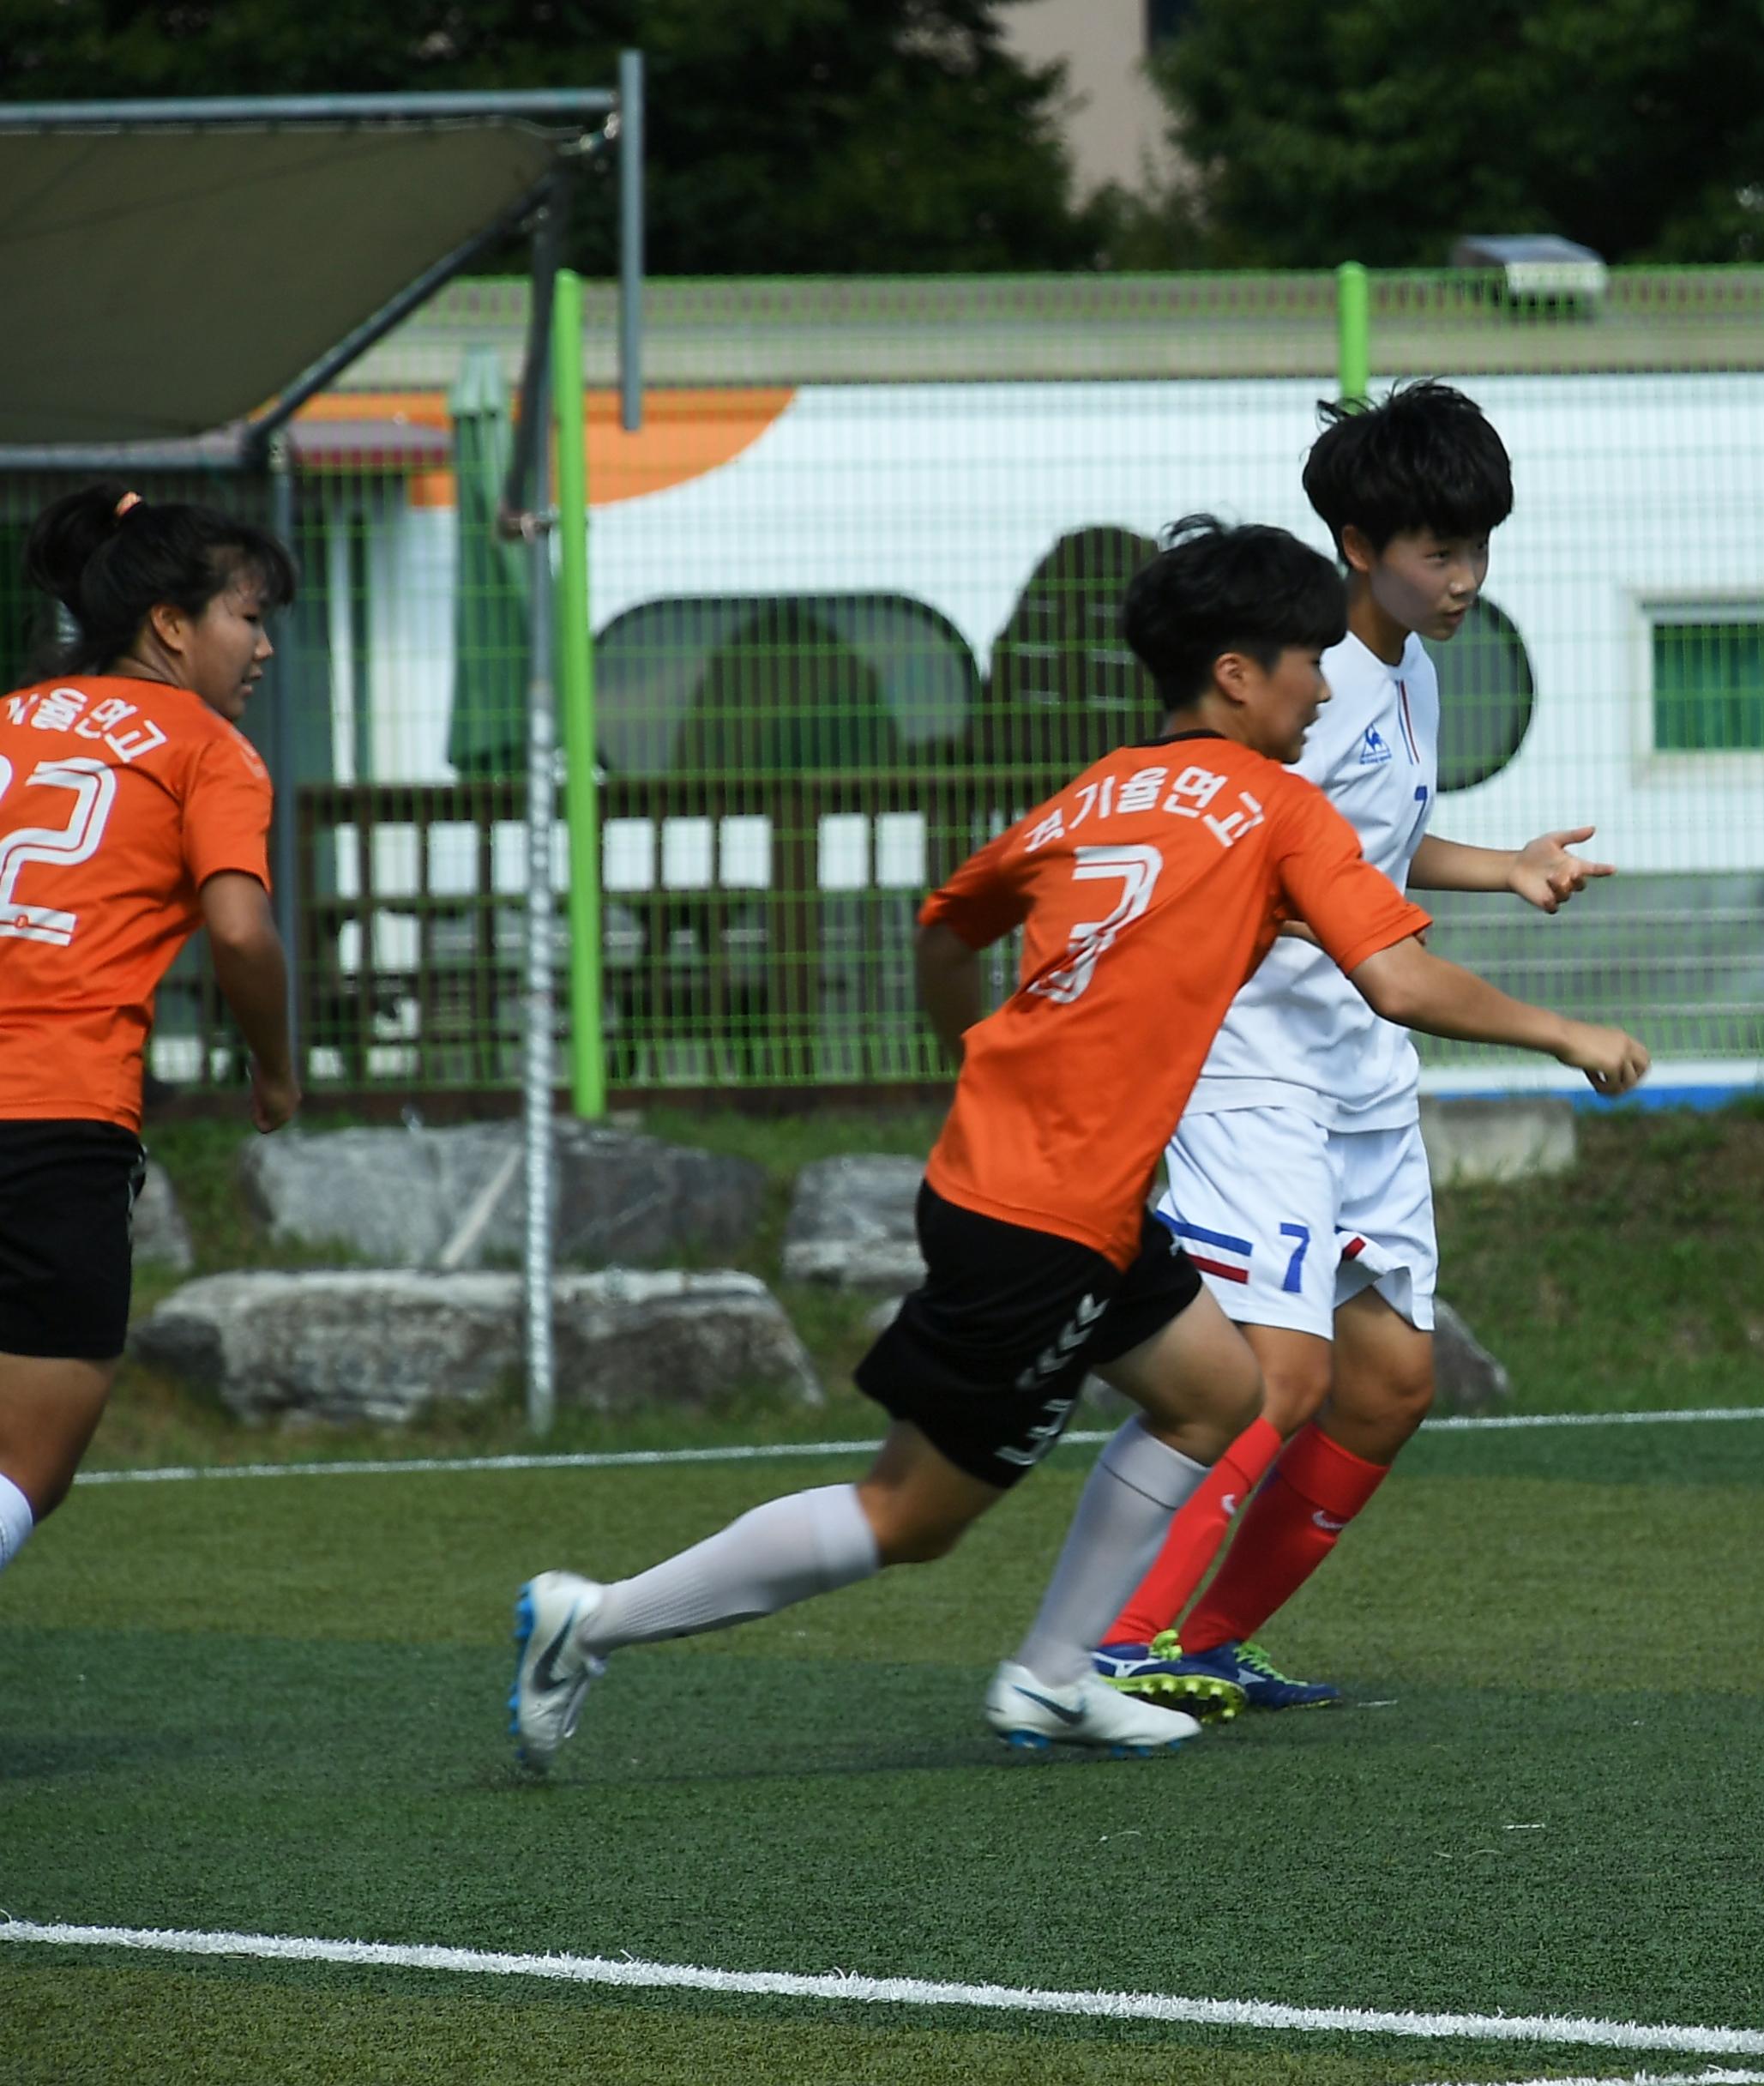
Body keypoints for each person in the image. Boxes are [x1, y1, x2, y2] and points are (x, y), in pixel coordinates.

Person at [508, 517, 1646, 1769]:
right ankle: (592, 1621)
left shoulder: (1094, 791)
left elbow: (945, 933)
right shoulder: (1275, 804)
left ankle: (1056, 1673)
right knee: (910, 1515)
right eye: (1306, 662)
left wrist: (986, 1055)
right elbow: (1401, 982)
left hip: (1046, 1191)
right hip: (1040, 1216)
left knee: (1221, 1390)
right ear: (1233, 674)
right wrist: (1566, 1032)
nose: (1323, 687)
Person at [1088, 382, 1604, 1717]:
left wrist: (1509, 867)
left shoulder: (1410, 668)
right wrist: (1560, 1033)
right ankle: (1114, 1647)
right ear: (1359, 540)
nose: (1467, 578)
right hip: (1256, 1060)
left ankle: (1203, 1646)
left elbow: (1368, 846)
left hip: (1359, 1066)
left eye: (1481, 548)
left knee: (1386, 1384)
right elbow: (1304, 887)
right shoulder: (1298, 682)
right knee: (1281, 1371)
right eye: (1442, 551)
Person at [0, 486, 303, 1584]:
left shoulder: (7, 717)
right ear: (171, 625)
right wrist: (274, 1069)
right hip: (54, 1114)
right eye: (248, 614)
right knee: (28, 1468)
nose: (262, 646)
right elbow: (240, 931)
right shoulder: (206, 746)